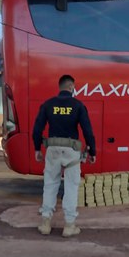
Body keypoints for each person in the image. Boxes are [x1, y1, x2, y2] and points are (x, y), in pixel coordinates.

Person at [32, 74, 96, 237]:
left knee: (50, 184)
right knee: (71, 187)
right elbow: (87, 130)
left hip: (52, 149)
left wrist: (37, 148)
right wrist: (92, 151)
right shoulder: (78, 105)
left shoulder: (48, 104)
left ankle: (45, 223)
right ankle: (69, 225)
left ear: (59, 87)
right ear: (71, 87)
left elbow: (37, 129)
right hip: (71, 151)